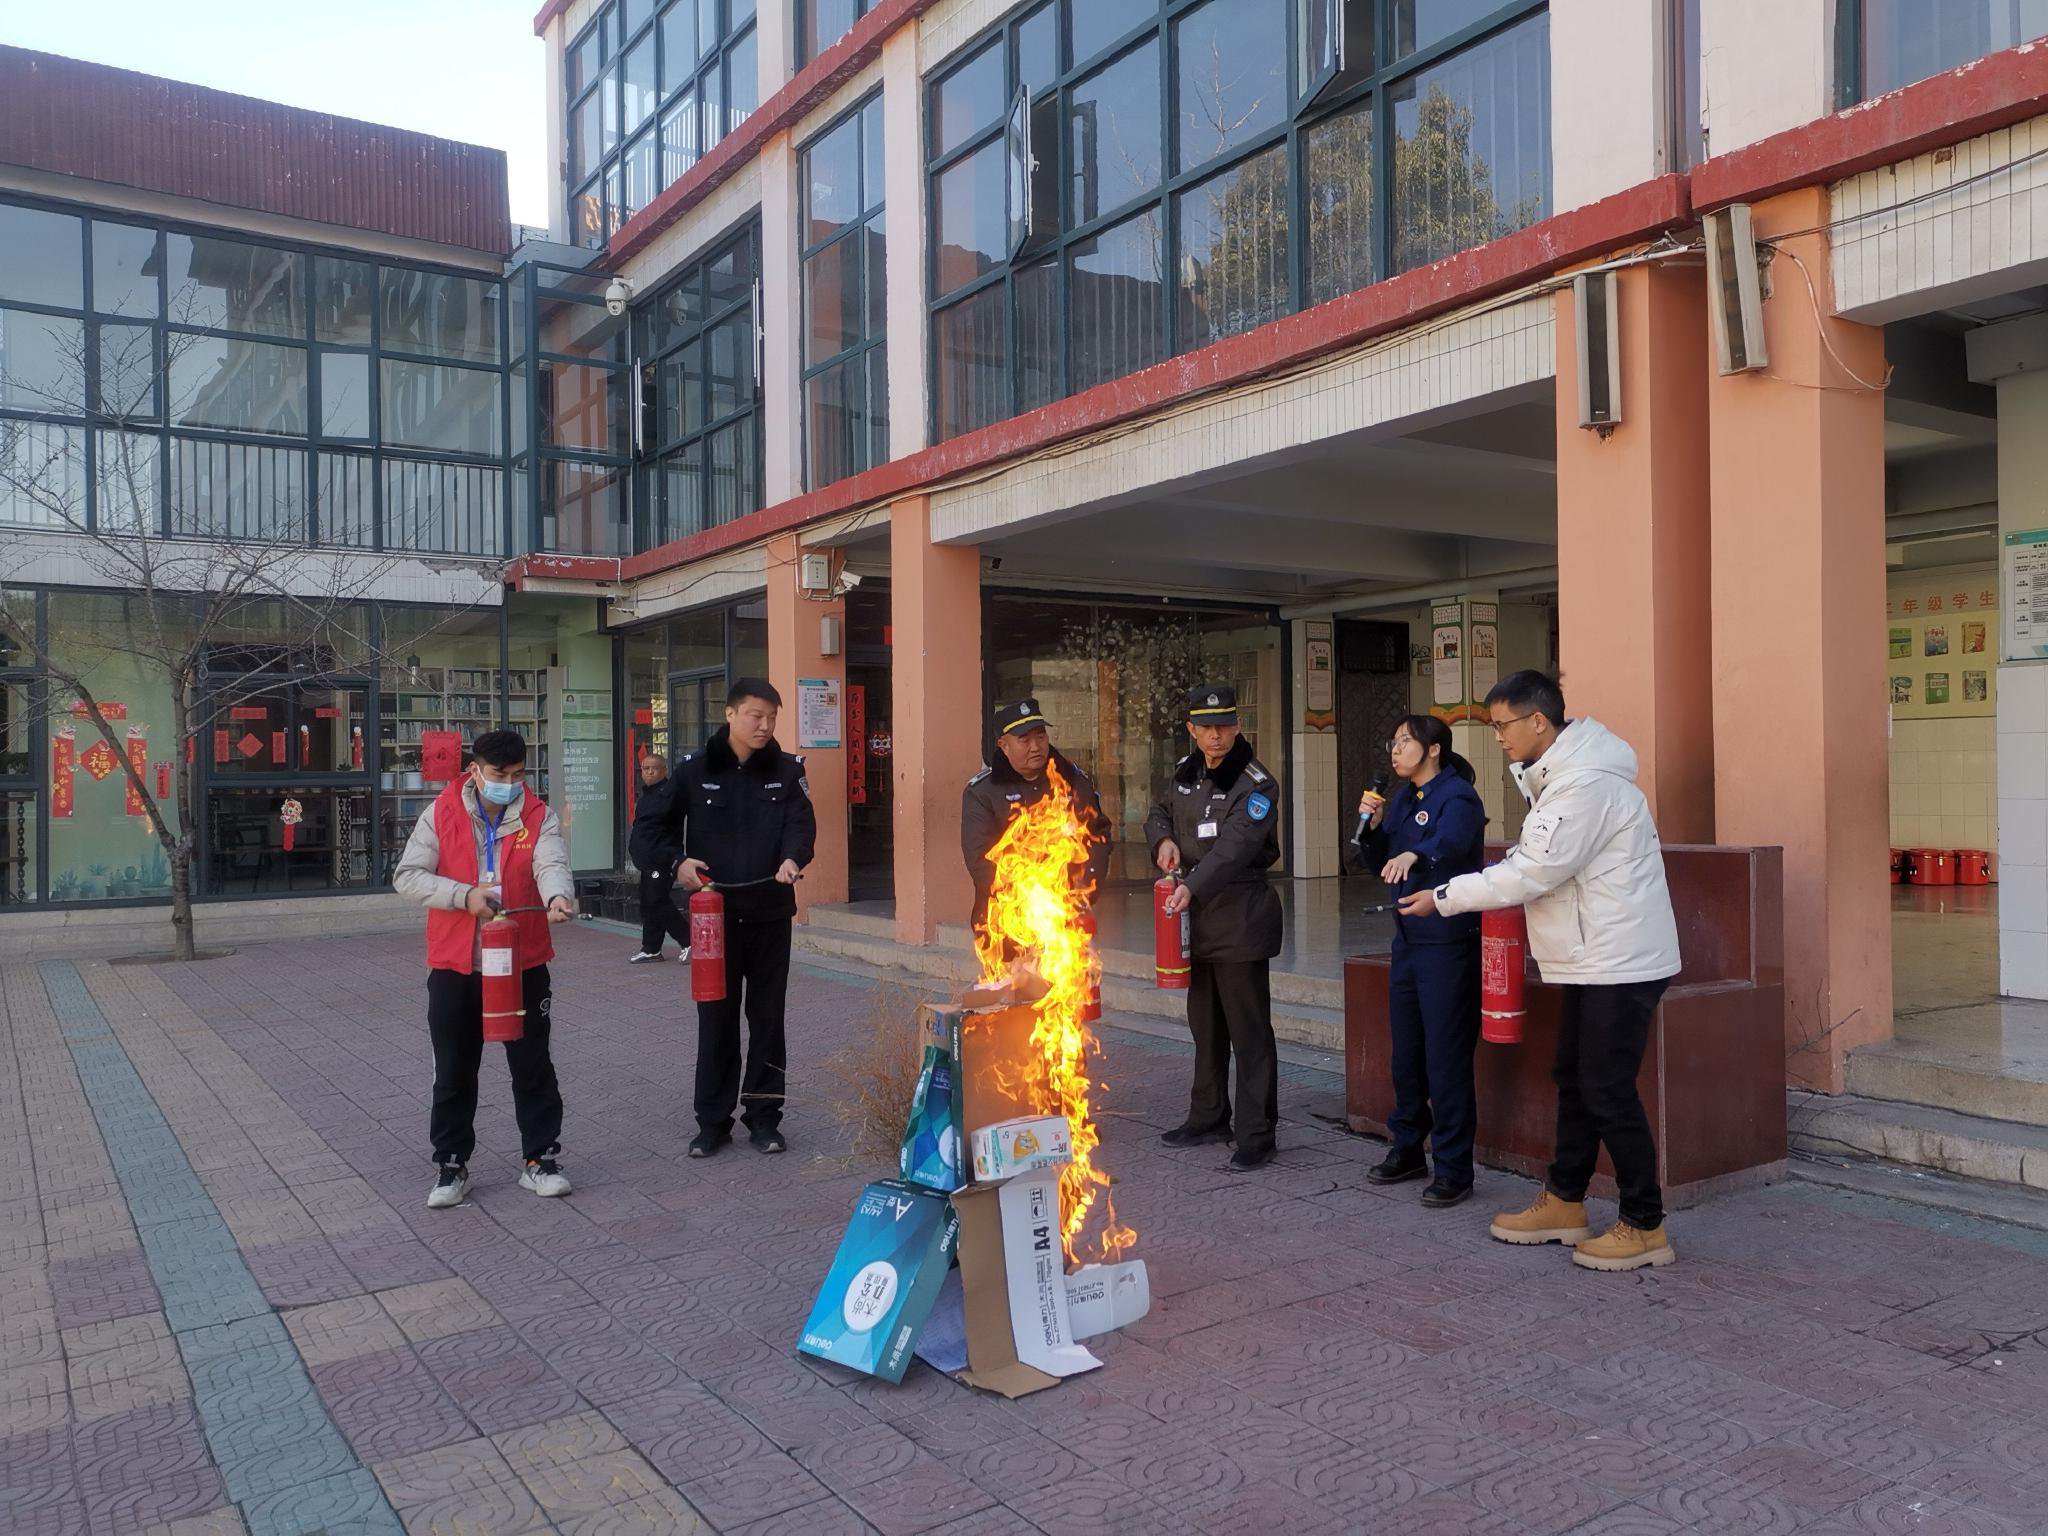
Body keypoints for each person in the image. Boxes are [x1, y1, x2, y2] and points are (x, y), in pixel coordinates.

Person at [1398, 671, 1683, 1271]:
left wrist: (1444, 896)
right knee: (1574, 1078)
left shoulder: (1585, 787)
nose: (1496, 736)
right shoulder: (1558, 780)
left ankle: (1644, 1222)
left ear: (1538, 722)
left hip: (1620, 959)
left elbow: (1533, 871)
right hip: (1591, 957)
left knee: (1606, 1088)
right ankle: (1564, 1200)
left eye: (1502, 724)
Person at [393, 729, 577, 1209]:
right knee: (454, 1066)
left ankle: (541, 1159)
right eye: (500, 775)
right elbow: (407, 876)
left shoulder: (539, 815)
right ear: (475, 770)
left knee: (532, 1063)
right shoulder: (441, 813)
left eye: (518, 775)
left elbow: (550, 862)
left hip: (523, 963)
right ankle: (451, 1165)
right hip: (457, 964)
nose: (510, 784)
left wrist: (558, 895)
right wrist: (464, 896)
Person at [645, 679, 816, 1158]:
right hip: (712, 920)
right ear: (731, 714)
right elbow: (649, 828)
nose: (765, 726)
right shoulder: (695, 772)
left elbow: (801, 824)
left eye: (772, 718)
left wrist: (792, 858)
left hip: (769, 914)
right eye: (755, 716)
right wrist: (676, 862)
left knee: (767, 1020)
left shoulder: (785, 772)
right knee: (715, 1019)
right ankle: (712, 1122)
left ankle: (764, 1118)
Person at [1143, 685, 1284, 1172]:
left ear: (1238, 725)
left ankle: (1257, 1132)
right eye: (1205, 727)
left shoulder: (1257, 782)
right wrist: (1162, 840)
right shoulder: (1186, 773)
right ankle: (1207, 1116)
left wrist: (1193, 887)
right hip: (1195, 918)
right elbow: (1159, 811)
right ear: (1192, 730)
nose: (1216, 735)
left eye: (1224, 724)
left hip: (1240, 914)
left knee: (1248, 1032)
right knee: (1204, 1026)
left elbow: (1237, 847)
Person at [1353, 715, 1487, 1209]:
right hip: (1409, 940)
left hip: (1448, 943)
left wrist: (1417, 855)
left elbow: (1449, 845)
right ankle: (1408, 1148)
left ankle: (1455, 1169)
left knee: (1445, 1057)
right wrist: (1370, 829)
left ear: (1433, 749)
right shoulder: (1407, 798)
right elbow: (1385, 862)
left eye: (1405, 741)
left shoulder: (1458, 797)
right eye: (1394, 742)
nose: (1395, 750)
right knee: (1406, 1051)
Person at [961, 698, 1111, 935]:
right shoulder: (983, 792)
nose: (1036, 746)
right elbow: (980, 860)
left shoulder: (1071, 781)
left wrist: (1083, 892)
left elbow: (1097, 836)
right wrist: (1030, 902)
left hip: (1068, 916)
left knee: (1068, 971)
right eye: (1025, 739)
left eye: (1040, 737)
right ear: (1004, 745)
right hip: (1006, 921)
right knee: (1015, 973)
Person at [627, 752, 690, 963]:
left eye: (654, 768)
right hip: (647, 859)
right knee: (648, 902)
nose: (649, 772)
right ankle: (651, 948)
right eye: (645, 768)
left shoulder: (668, 794)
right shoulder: (647, 796)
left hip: (662, 858)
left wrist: (668, 855)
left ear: (664, 771)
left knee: (657, 900)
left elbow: (665, 824)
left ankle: (689, 942)